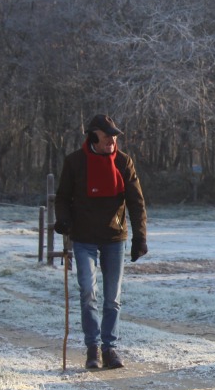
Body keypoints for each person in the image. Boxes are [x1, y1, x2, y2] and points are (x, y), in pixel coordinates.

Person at [53, 114, 148, 370]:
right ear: (93, 135)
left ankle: (110, 348)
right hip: (83, 238)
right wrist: (63, 221)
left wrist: (140, 237)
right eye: (107, 136)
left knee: (112, 298)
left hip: (114, 239)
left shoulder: (124, 162)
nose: (112, 141)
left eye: (114, 136)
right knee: (87, 292)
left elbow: (136, 202)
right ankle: (92, 347)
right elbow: (62, 198)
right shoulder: (75, 162)